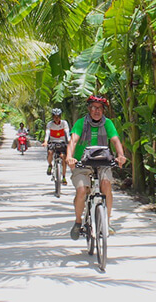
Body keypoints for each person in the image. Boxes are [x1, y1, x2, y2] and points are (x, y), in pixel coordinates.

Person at [66, 95, 126, 240]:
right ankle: (78, 222)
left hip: (103, 162)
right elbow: (73, 141)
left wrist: (120, 155)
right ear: (89, 109)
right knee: (81, 190)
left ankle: (107, 221)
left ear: (103, 110)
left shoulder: (108, 123)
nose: (96, 111)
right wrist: (70, 157)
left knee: (106, 185)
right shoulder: (81, 123)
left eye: (99, 108)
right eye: (93, 107)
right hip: (82, 163)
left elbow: (116, 140)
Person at [42, 108, 70, 183]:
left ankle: (64, 177)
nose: (56, 118)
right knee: (50, 153)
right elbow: (47, 133)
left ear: (60, 116)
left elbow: (67, 132)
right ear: (52, 117)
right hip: (52, 142)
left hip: (62, 142)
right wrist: (45, 141)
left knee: (63, 157)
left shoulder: (64, 123)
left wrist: (70, 141)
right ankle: (50, 165)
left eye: (58, 116)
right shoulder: (50, 124)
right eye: (55, 116)